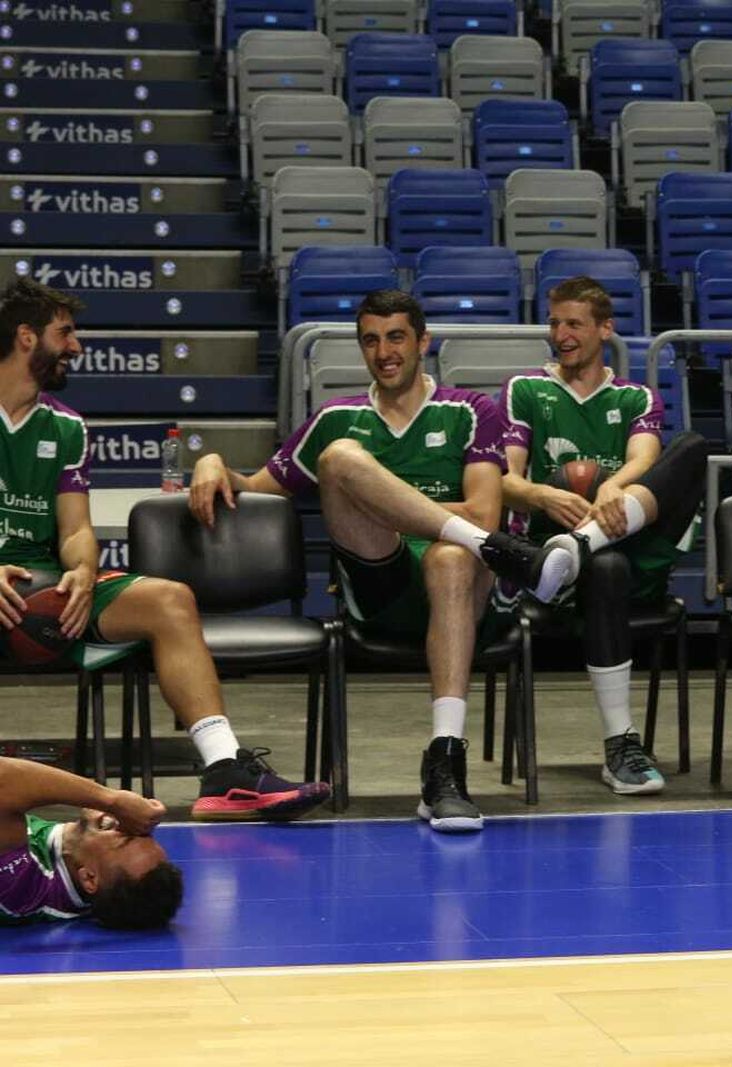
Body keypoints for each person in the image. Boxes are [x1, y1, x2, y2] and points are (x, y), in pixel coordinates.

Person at [189, 289, 550, 834]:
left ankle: (445, 763)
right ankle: (502, 552)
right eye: (371, 340)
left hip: (460, 592)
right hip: (380, 582)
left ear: (423, 341)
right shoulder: (337, 418)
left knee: (454, 556)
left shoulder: (472, 411)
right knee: (339, 460)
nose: (384, 351)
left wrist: (383, 503)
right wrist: (212, 459)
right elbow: (258, 486)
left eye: (397, 337)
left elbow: (483, 508)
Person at [0, 277, 328, 822]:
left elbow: (76, 528)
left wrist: (82, 568)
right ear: (28, 337)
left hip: (44, 589)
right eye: (67, 333)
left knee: (169, 598)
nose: (77, 346)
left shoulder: (67, 427)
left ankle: (224, 771)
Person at [504, 277, 710, 795]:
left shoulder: (635, 396)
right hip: (558, 567)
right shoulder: (526, 390)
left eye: (574, 323)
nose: (562, 334)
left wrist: (613, 489)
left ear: (604, 328)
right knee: (606, 565)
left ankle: (581, 545)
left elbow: (645, 457)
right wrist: (545, 497)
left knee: (691, 449)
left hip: (628, 535)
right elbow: (504, 478)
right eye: (555, 323)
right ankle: (621, 744)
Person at [0, 756, 181, 928]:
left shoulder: (20, 888)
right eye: (143, 834)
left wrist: (112, 800)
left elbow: (4, 779)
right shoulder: (65, 862)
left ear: (89, 878)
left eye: (124, 838)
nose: (127, 824)